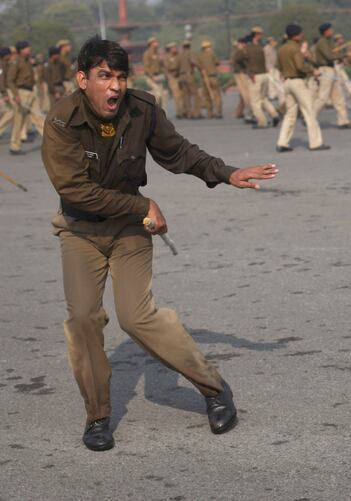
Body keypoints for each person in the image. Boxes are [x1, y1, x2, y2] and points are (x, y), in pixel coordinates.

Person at [41, 36, 281, 451]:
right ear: (83, 80)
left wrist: (227, 173)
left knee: (137, 318)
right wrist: (143, 203)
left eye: (120, 76)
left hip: (131, 230)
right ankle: (97, 417)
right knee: (83, 319)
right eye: (103, 77)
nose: (115, 86)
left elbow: (178, 153)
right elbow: (74, 190)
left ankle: (214, 389)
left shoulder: (142, 108)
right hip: (81, 232)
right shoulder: (61, 121)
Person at [276, 24, 328, 153]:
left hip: (287, 82)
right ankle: (315, 143)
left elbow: (278, 65)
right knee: (309, 112)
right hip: (298, 82)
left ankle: (282, 142)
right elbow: (300, 66)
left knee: (290, 114)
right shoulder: (295, 48)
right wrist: (312, 71)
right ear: (297, 35)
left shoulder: (281, 48)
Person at [312, 22, 351, 129]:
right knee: (323, 97)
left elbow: (333, 55)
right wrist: (345, 54)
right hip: (325, 70)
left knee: (339, 96)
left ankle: (343, 121)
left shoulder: (327, 42)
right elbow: (329, 56)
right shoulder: (322, 42)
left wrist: (340, 56)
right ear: (326, 31)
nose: (332, 31)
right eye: (330, 30)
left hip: (331, 69)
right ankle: (310, 118)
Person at [7, 41, 45, 155]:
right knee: (19, 120)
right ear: (21, 50)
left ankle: (51, 142)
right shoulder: (16, 62)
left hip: (31, 91)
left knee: (38, 117)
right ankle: (14, 146)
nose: (29, 49)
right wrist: (16, 95)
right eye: (26, 48)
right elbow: (10, 80)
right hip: (21, 92)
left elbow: (39, 61)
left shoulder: (28, 60)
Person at [245, 26, 280, 129]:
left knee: (255, 102)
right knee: (263, 98)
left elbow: (239, 59)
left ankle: (262, 122)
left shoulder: (249, 48)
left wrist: (248, 71)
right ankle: (274, 115)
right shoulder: (261, 48)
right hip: (264, 75)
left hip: (254, 76)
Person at [198, 40, 222, 119]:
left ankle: (210, 113)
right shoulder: (212, 54)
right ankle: (218, 111)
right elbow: (217, 62)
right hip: (213, 77)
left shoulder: (200, 56)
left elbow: (199, 67)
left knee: (207, 96)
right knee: (216, 95)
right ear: (208, 47)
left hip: (205, 78)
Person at [141, 37, 166, 107]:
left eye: (157, 42)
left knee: (162, 96)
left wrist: (164, 74)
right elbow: (146, 67)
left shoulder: (158, 53)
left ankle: (163, 114)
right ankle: (155, 113)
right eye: (155, 42)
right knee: (157, 95)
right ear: (151, 44)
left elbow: (161, 66)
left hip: (158, 76)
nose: (157, 43)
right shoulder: (147, 54)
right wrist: (153, 77)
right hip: (150, 77)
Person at [163, 42, 184, 119]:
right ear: (170, 49)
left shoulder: (178, 56)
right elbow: (168, 68)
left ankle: (183, 111)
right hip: (173, 78)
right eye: (173, 48)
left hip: (180, 77)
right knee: (177, 96)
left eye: (175, 47)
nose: (175, 49)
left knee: (182, 95)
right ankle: (179, 112)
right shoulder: (167, 57)